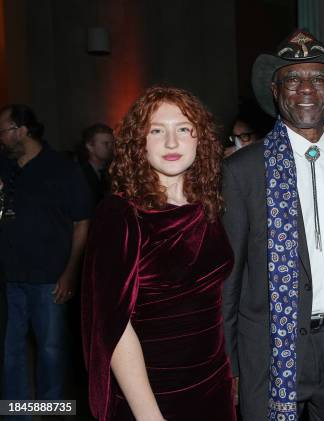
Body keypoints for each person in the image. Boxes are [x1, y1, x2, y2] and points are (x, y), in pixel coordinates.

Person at [222, 29, 324, 421]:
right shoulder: (242, 171)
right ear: (276, 90)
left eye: (318, 78)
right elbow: (228, 280)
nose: (306, 88)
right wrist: (230, 365)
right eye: (293, 79)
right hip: (272, 351)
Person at [81, 86, 235, 421]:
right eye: (156, 130)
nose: (171, 142)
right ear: (139, 142)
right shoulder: (120, 213)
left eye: (182, 129)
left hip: (213, 384)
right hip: (153, 392)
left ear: (200, 138)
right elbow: (114, 324)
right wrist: (149, 415)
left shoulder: (207, 204)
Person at [0, 104, 92, 418]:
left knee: (51, 352)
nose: (1, 139)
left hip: (50, 278)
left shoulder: (62, 168)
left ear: (20, 130)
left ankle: (50, 411)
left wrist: (70, 273)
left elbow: (82, 222)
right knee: (11, 352)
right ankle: (18, 414)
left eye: (3, 131)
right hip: (9, 277)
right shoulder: (5, 165)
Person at [79, 123, 114, 202]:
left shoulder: (113, 171)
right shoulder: (80, 175)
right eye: (106, 144)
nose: (111, 148)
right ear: (89, 146)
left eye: (112, 144)